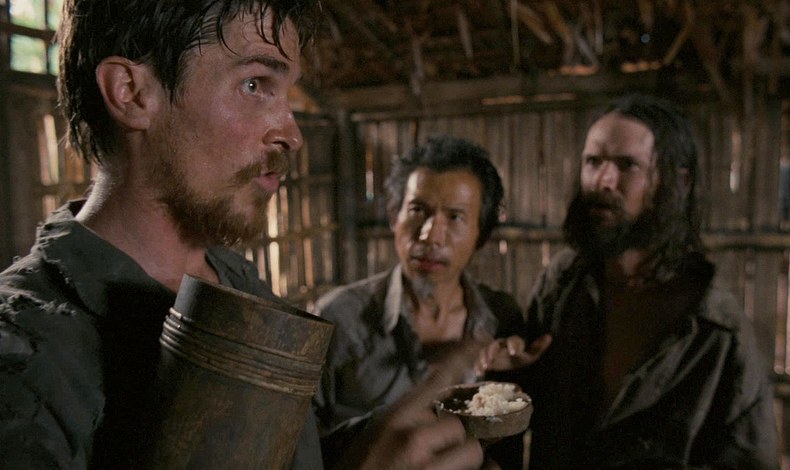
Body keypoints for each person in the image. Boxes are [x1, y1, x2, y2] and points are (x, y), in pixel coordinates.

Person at [0, 1, 485, 469]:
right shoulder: (24, 357)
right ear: (131, 92)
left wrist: (375, 444)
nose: (291, 134)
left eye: (287, 92)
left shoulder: (235, 283)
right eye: (255, 85)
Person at [509, 93, 779, 469]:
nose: (603, 181)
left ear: (677, 182)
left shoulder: (714, 330)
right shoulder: (562, 285)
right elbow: (519, 402)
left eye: (627, 165)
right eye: (593, 162)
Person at [312, 135, 551, 465]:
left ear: (481, 233)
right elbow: (299, 447)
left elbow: (512, 445)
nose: (430, 236)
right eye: (417, 210)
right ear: (394, 217)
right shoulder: (338, 318)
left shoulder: (501, 318)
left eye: (455, 217)